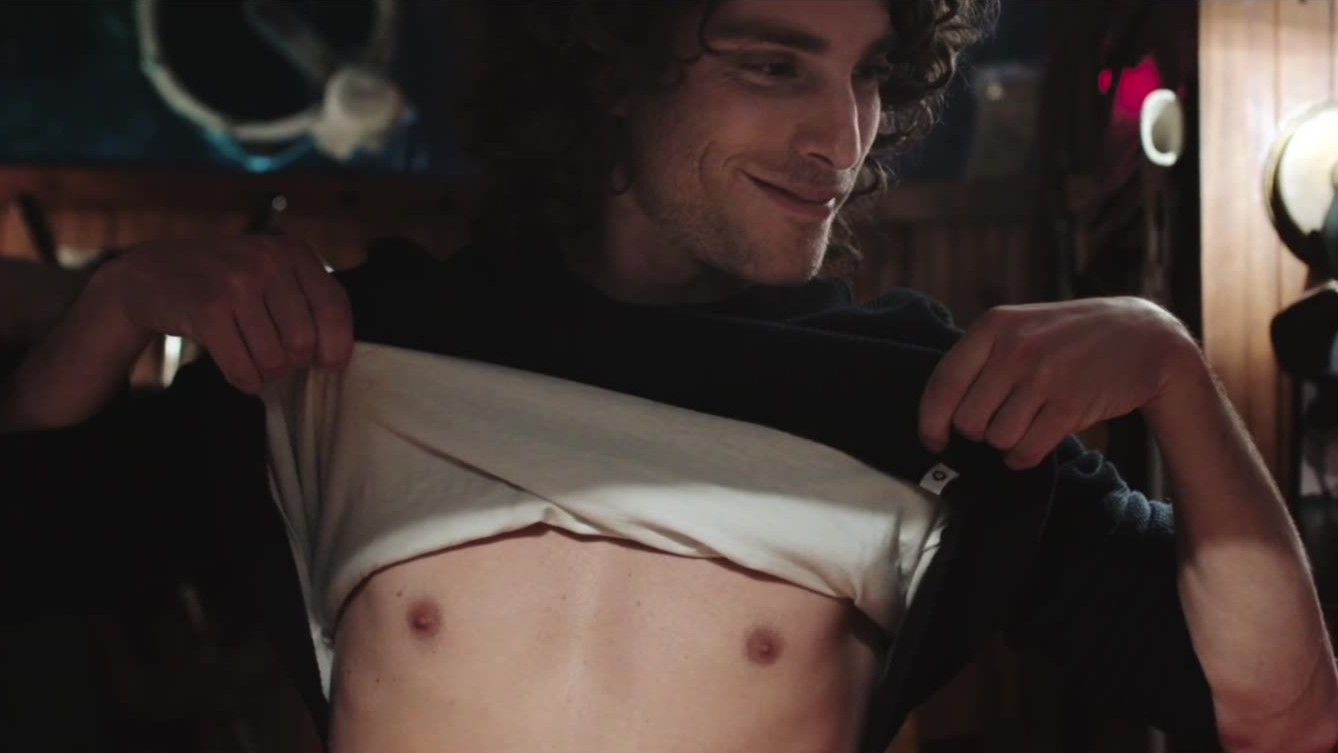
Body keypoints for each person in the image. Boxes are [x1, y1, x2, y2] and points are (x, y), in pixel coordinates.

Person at [3, 2, 1336, 752]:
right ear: (611, 71)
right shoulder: (355, 348)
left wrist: (1175, 371)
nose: (842, 138)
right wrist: (111, 305)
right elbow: (31, 552)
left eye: (870, 78)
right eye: (773, 65)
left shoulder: (917, 401)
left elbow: (1278, 711)